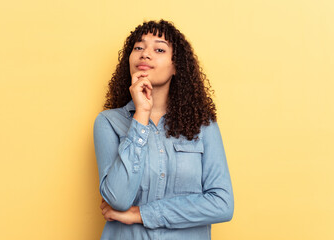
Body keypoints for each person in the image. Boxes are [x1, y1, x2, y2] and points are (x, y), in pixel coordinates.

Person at [93, 19, 234, 240]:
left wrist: (140, 214)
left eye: (159, 49)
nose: (145, 54)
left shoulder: (202, 124)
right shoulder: (108, 122)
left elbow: (222, 204)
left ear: (176, 65)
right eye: (138, 47)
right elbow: (118, 198)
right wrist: (141, 114)